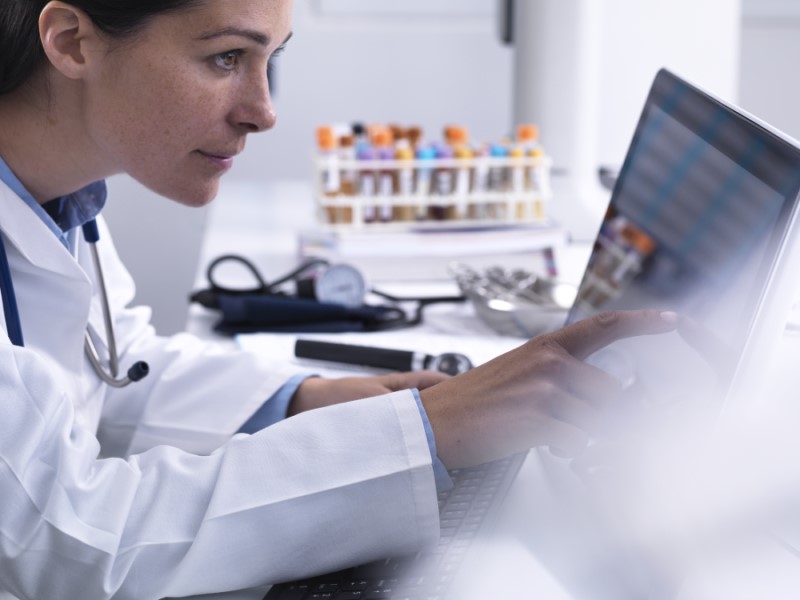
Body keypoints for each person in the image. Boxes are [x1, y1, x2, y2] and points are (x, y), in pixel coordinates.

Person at [0, 1, 677, 598]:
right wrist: (422, 433)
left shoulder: (61, 201)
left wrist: (306, 398)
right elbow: (74, 543)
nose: (263, 111)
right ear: (71, 41)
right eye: (226, 57)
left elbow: (119, 367)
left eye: (270, 59)